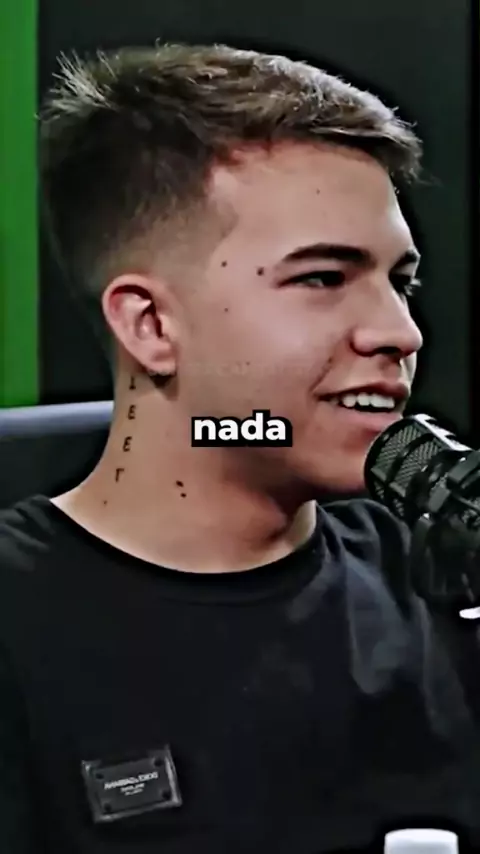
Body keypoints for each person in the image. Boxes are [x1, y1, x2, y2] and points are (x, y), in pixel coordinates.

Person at [0, 42, 479, 854]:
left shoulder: (436, 577)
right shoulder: (20, 632)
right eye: (323, 278)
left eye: (401, 282)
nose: (399, 333)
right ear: (152, 325)